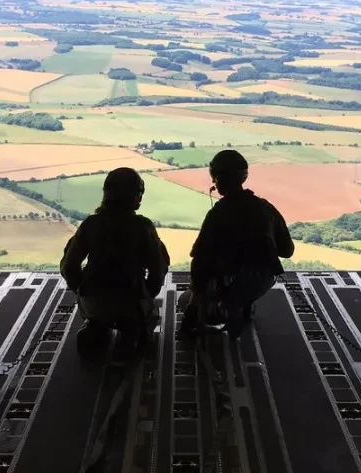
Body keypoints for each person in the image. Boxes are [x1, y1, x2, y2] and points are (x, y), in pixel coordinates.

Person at [180, 149, 294, 339]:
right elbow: (287, 251)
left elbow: (199, 261)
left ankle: (227, 309)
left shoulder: (218, 213)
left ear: (216, 178)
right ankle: (241, 305)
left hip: (228, 281)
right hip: (262, 281)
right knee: (241, 291)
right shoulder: (265, 207)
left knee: (184, 300)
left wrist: (193, 309)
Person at [60, 167, 170, 357]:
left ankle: (96, 327)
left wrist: (82, 290)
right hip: (131, 303)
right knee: (148, 320)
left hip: (93, 302)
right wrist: (147, 295)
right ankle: (132, 331)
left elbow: (69, 266)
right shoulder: (143, 227)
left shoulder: (90, 224)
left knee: (100, 318)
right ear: (135, 196)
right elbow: (158, 269)